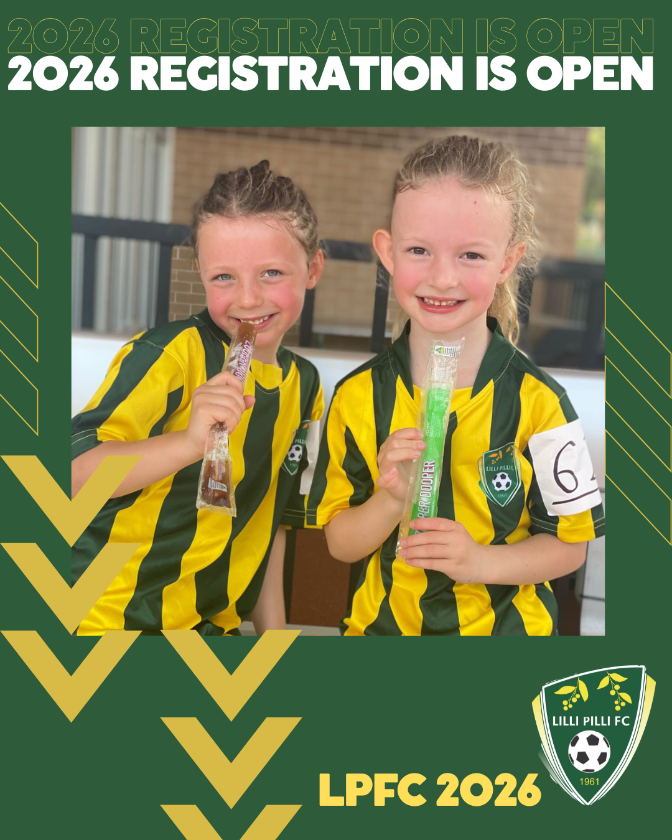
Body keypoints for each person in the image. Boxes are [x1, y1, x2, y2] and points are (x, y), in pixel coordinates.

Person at [308, 135, 604, 636]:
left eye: (470, 255)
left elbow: (571, 545)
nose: (443, 278)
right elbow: (340, 544)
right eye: (418, 250)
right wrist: (391, 499)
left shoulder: (541, 403)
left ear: (507, 262)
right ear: (388, 253)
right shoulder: (359, 396)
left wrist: (479, 562)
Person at [71, 160, 324, 635]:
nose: (247, 299)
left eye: (271, 273)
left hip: (207, 630)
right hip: (102, 620)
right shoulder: (171, 354)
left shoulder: (303, 385)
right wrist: (188, 444)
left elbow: (269, 527)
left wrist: (274, 641)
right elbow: (73, 477)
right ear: (201, 273)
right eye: (224, 277)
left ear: (312, 269)